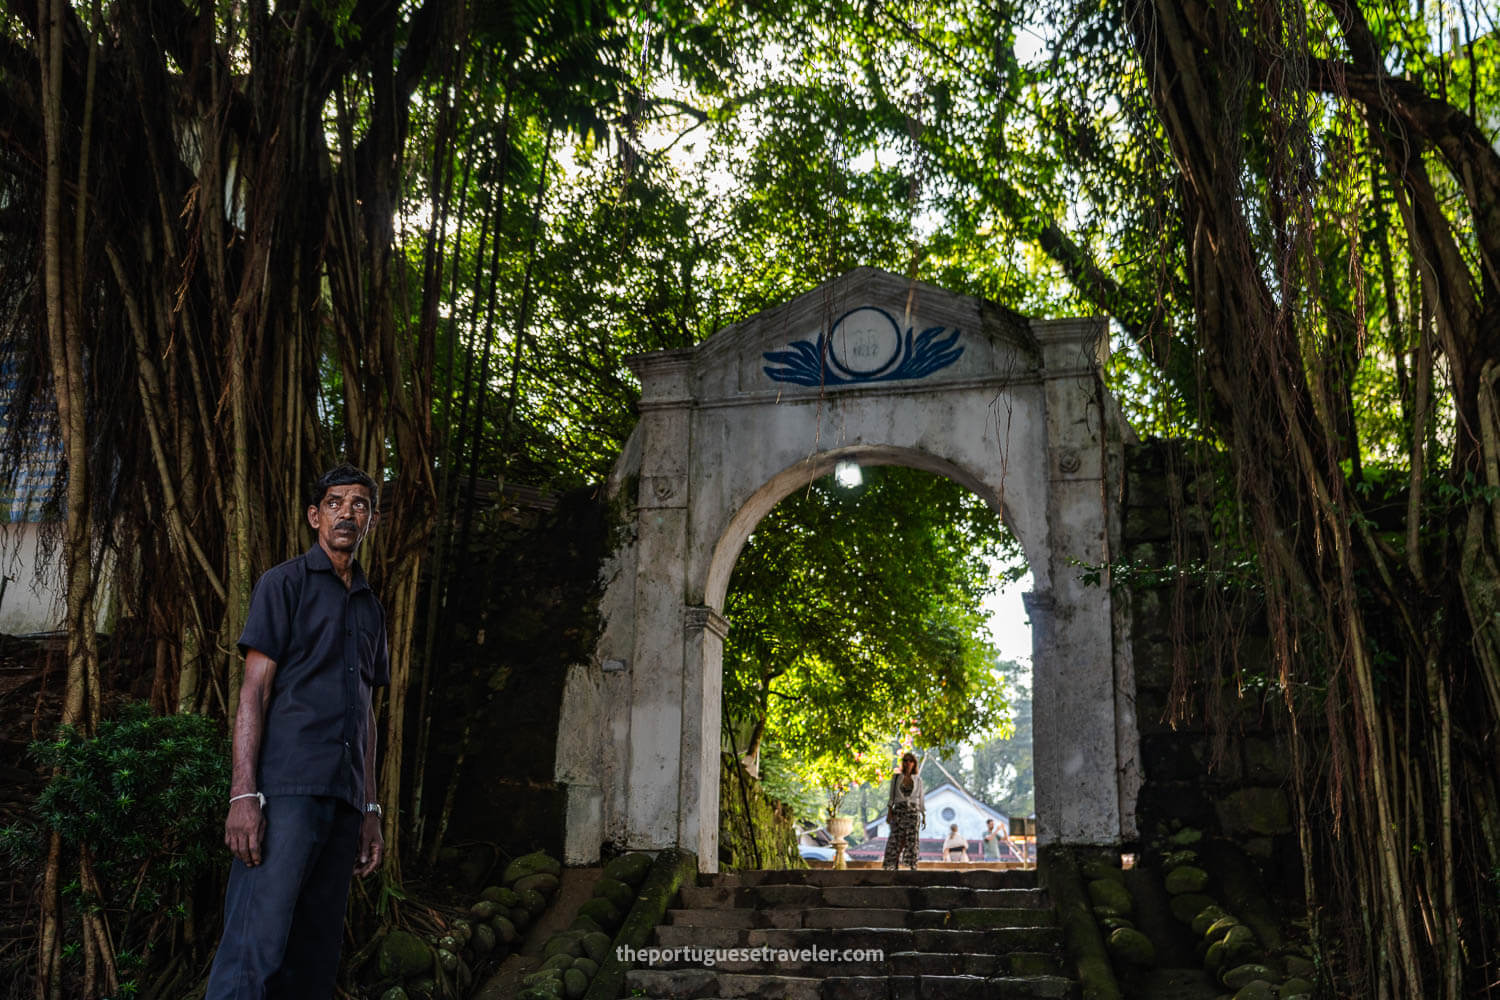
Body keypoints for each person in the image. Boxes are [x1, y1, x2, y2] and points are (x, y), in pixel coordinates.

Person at [206, 464, 391, 1000]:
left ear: (370, 521)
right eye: (335, 502)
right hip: (285, 792)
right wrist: (243, 793)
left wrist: (371, 810)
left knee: (314, 957)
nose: (347, 513)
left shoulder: (370, 607)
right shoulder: (282, 584)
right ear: (315, 516)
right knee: (253, 947)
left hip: (344, 799)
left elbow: (366, 712)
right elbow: (253, 692)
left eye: (360, 504)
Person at [882, 751, 925, 870]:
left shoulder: (918, 780)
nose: (907, 763)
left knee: (911, 839)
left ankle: (911, 864)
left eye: (910, 761)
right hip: (899, 811)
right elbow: (892, 797)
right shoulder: (896, 778)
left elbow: (920, 798)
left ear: (914, 763)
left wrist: (923, 815)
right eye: (905, 760)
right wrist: (889, 812)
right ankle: (893, 863)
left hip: (913, 812)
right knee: (896, 837)